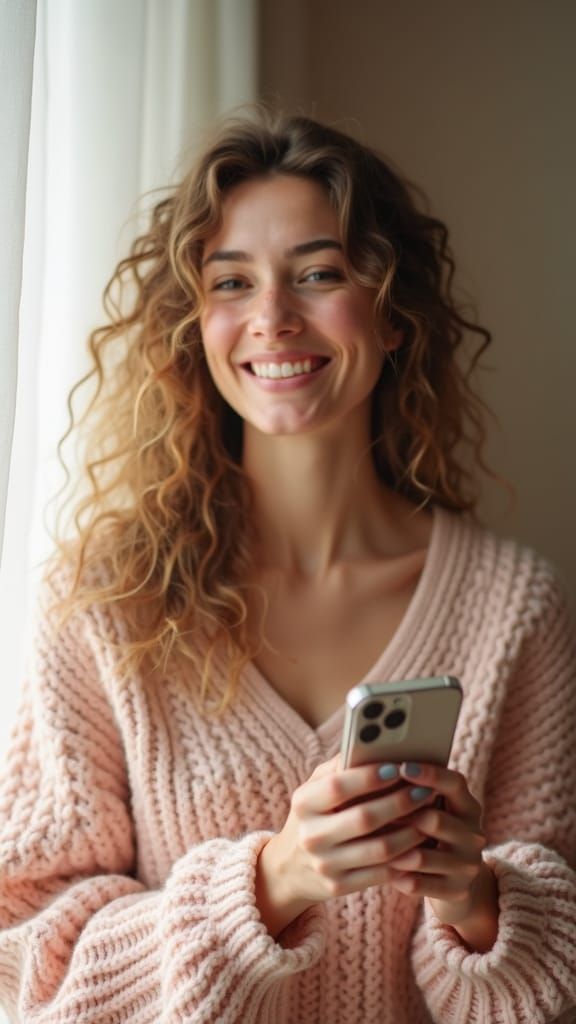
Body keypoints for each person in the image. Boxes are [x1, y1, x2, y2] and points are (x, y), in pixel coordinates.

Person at [0, 109, 574, 1024]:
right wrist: (269, 885)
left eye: (317, 273)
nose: (272, 317)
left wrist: (476, 901)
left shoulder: (515, 608)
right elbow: (25, 954)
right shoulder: (106, 606)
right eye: (232, 281)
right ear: (196, 327)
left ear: (393, 316)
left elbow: (557, 979)